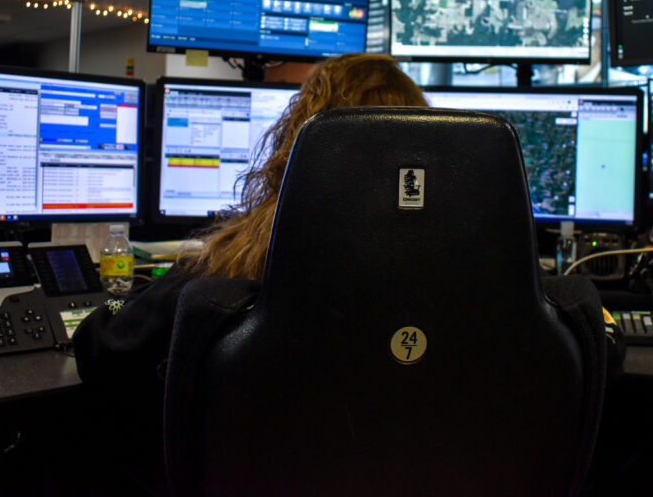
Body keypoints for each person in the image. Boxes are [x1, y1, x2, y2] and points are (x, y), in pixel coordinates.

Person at [71, 53, 428, 493]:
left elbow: (100, 348)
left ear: (301, 139)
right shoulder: (457, 268)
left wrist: (114, 301)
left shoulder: (232, 265)